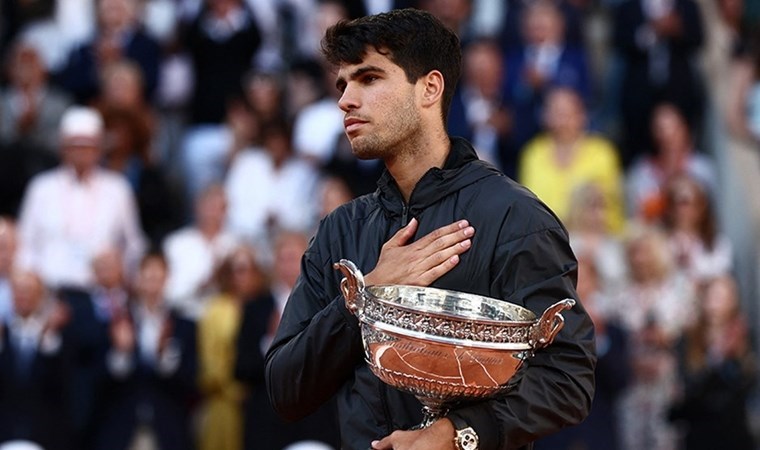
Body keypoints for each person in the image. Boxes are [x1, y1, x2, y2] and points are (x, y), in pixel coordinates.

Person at [265, 9, 596, 450]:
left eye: (368, 79)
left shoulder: (514, 217)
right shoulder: (340, 230)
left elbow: (567, 378)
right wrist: (365, 298)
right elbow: (284, 389)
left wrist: (455, 433)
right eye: (342, 84)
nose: (345, 99)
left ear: (430, 88)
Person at [15, 105, 146, 291]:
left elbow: (133, 245)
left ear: (99, 148)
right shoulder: (41, 188)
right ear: (63, 148)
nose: (81, 152)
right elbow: (25, 244)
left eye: (88, 146)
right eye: (75, 146)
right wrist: (35, 287)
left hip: (101, 292)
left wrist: (120, 271)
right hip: (50, 289)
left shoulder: (117, 188)